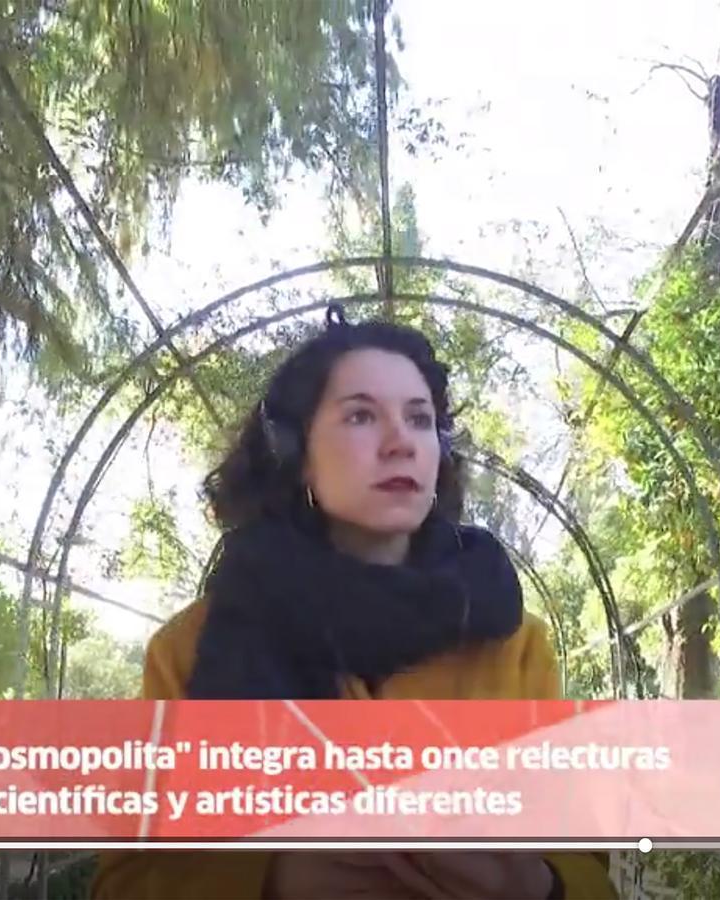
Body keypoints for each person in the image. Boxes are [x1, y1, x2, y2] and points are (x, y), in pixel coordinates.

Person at [90, 305, 616, 899]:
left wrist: (539, 885)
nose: (401, 443)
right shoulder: (188, 650)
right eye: (361, 415)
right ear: (296, 455)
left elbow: (591, 870)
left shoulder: (512, 643)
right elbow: (122, 884)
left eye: (419, 420)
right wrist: (270, 881)